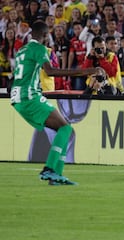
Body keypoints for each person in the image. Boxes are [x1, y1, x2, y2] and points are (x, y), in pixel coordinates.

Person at [10, 21, 98, 185]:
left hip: (18, 97)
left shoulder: (22, 50)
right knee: (65, 128)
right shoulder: (39, 48)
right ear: (44, 35)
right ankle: (50, 169)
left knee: (65, 130)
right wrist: (86, 71)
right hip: (29, 96)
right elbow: (50, 71)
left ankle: (56, 175)